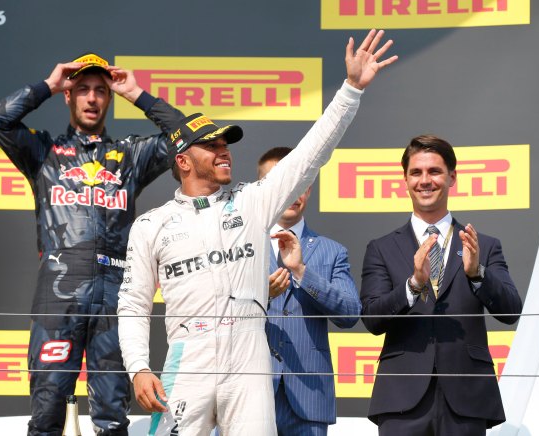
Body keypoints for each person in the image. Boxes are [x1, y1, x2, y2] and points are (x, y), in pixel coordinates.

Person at [117, 30, 397, 436]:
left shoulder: (252, 201)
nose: (223, 150)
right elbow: (133, 303)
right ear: (183, 161)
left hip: (249, 357)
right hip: (187, 355)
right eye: (210, 145)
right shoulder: (151, 224)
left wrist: (351, 89)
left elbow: (309, 156)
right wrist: (139, 367)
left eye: (225, 143)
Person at [0, 52, 184, 436]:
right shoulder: (42, 152)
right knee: (46, 415)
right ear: (69, 96)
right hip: (57, 296)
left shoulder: (128, 155)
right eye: (82, 90)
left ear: (109, 98)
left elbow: (187, 134)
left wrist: (136, 93)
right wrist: (49, 84)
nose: (92, 99)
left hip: (114, 293)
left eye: (100, 91)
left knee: (112, 416)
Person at [359, 135, 523, 435]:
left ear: (452, 177)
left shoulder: (484, 246)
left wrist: (477, 274)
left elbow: (511, 310)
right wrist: (413, 284)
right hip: (401, 398)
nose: (425, 180)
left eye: (434, 171)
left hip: (467, 397)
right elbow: (371, 317)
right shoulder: (381, 248)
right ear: (405, 179)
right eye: (416, 172)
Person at [257, 147, 361, 435]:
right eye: (282, 182)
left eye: (300, 181)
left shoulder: (332, 251)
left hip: (309, 396)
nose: (292, 191)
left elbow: (351, 313)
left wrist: (302, 271)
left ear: (310, 187)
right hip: (249, 393)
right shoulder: (241, 246)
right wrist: (261, 297)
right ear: (263, 188)